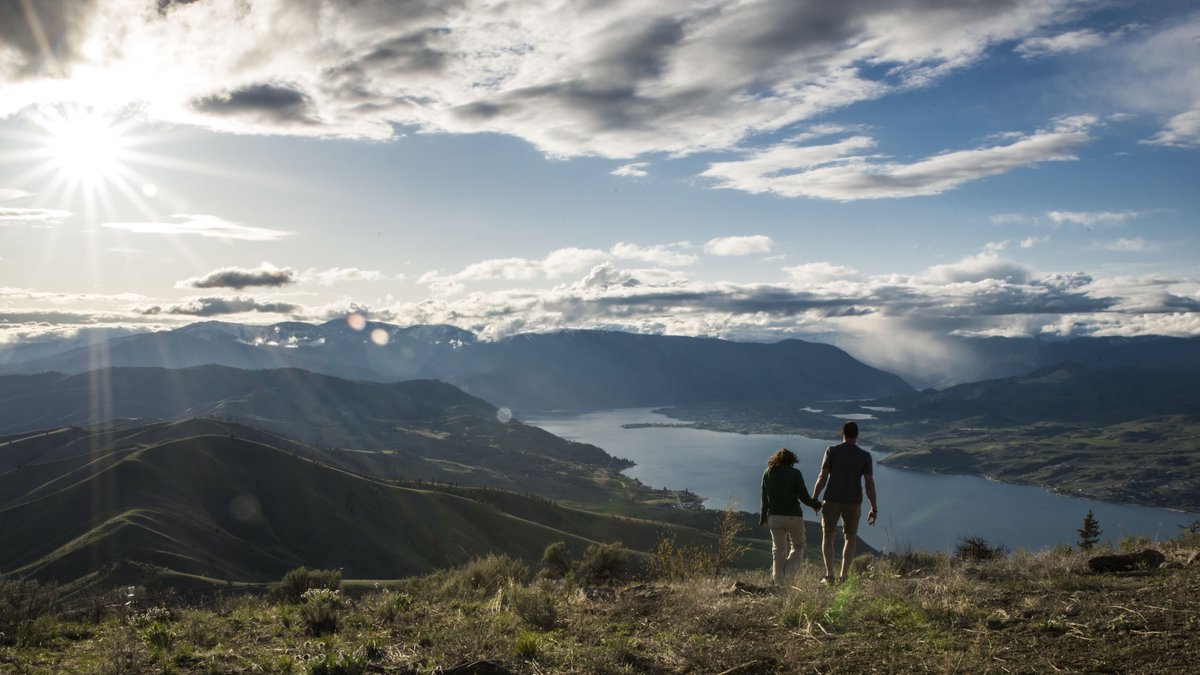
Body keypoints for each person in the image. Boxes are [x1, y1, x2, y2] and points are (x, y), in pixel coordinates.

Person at [812, 421, 877, 583]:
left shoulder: (831, 451)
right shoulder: (864, 456)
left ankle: (829, 575)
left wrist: (814, 498)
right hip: (853, 502)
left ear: (842, 433)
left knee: (828, 536)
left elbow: (822, 477)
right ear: (857, 435)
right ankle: (844, 576)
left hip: (832, 499)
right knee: (850, 537)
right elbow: (869, 484)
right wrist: (874, 507)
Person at [760, 448, 823, 585]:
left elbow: (764, 499)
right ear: (791, 461)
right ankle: (789, 576)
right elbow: (804, 497)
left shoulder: (767, 473)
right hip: (793, 517)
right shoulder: (795, 474)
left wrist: (763, 518)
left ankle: (778, 582)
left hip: (774, 518)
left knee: (778, 549)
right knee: (799, 545)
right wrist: (817, 504)